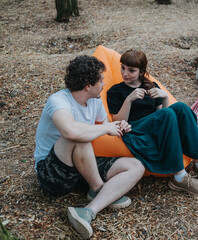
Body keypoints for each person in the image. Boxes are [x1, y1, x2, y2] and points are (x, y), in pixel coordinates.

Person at [34, 55, 145, 239]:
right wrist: (104, 128)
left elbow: (103, 131)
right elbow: (70, 131)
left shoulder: (95, 100)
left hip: (83, 166)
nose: (103, 84)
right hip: (52, 174)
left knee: (136, 166)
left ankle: (89, 210)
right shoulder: (59, 102)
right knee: (79, 136)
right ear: (88, 85)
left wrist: (119, 127)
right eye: (101, 80)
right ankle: (98, 188)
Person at [107, 49, 198, 196]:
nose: (125, 73)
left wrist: (164, 99)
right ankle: (179, 177)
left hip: (154, 125)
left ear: (141, 72)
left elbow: (165, 116)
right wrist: (129, 99)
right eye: (123, 68)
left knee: (181, 107)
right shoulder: (115, 91)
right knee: (168, 112)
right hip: (134, 128)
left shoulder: (151, 86)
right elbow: (118, 121)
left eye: (131, 70)